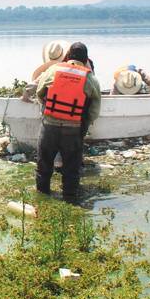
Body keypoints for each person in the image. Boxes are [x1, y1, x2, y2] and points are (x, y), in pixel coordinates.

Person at [35, 42, 101, 202]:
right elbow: (94, 110)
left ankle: (42, 199)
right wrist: (83, 126)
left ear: (68, 56)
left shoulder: (53, 70)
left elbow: (39, 92)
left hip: (49, 126)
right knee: (71, 169)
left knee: (44, 166)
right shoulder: (90, 78)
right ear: (86, 60)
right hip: (73, 129)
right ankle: (70, 200)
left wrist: (46, 112)